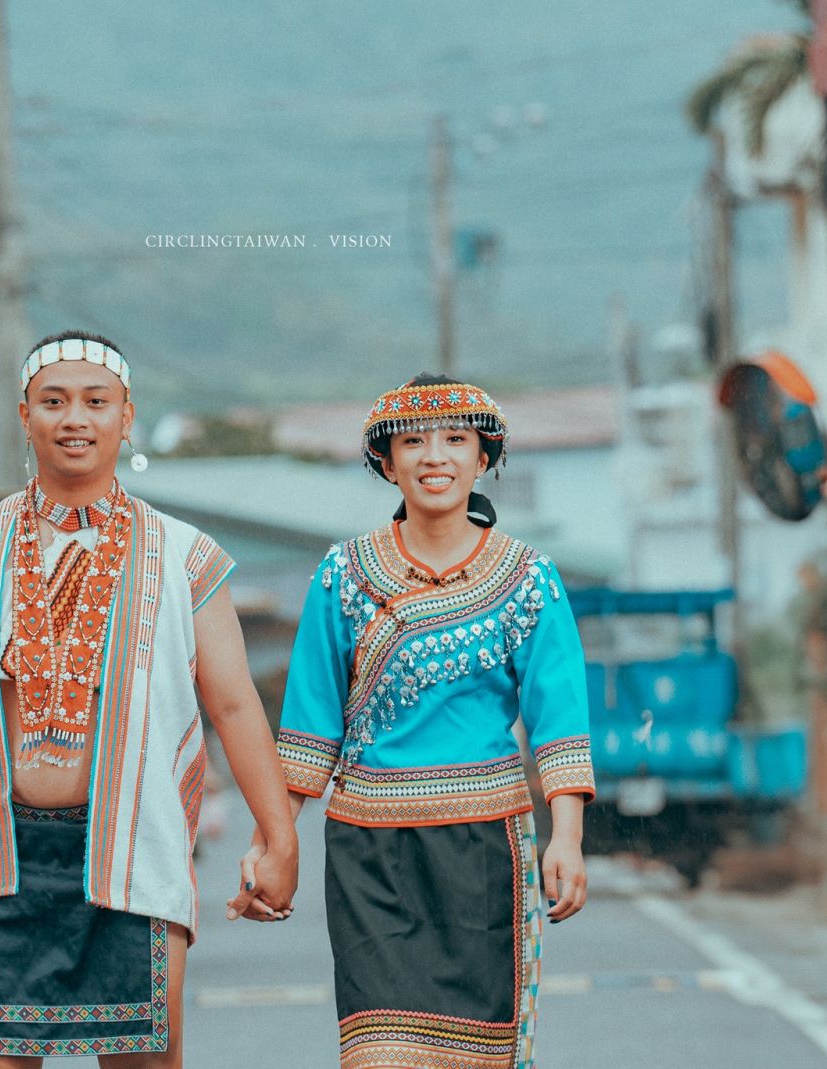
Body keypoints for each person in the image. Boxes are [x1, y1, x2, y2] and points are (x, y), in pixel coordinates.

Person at [0, 331, 298, 1066]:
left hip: (133, 858)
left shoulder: (184, 557)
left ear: (126, 417)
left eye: (96, 401)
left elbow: (233, 707)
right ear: (25, 416)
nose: (75, 418)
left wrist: (279, 837)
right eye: (54, 401)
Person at [241, 373, 595, 1069]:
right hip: (369, 853)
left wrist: (569, 838)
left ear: (484, 457)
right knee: (379, 1056)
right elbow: (309, 730)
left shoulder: (528, 579)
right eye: (414, 442)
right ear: (386, 461)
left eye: (456, 440)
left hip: (483, 850)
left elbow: (559, 722)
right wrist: (271, 844)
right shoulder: (343, 575)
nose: (436, 457)